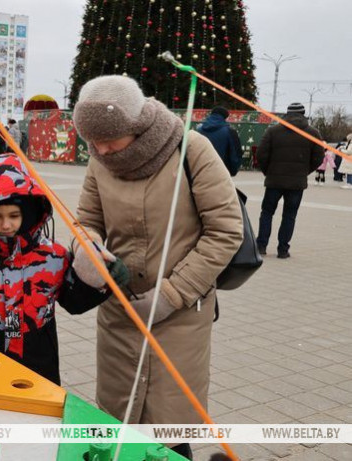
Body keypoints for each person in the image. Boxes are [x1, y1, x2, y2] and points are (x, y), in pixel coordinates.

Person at [72, 76, 243, 460]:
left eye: (110, 139)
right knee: (119, 425)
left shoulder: (191, 150)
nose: (101, 149)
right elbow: (86, 221)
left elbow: (225, 231)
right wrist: (88, 251)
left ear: (137, 125)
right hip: (119, 314)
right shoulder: (100, 161)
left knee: (167, 430)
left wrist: (170, 295)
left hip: (179, 317)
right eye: (93, 142)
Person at [0, 153, 118, 384]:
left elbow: (74, 301)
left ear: (29, 212)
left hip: (38, 355)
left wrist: (102, 280)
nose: (6, 224)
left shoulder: (53, 256)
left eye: (14, 216)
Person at [255, 102, 323, 258]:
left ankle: (261, 246)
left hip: (274, 181)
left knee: (266, 213)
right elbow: (319, 157)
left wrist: (268, 172)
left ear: (287, 114)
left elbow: (261, 154)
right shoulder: (313, 133)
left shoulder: (273, 131)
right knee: (289, 215)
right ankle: (283, 250)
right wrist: (304, 172)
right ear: (304, 114)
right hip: (296, 183)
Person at [196, 106, 243, 176]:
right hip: (222, 172)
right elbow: (235, 153)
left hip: (200, 171)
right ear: (225, 117)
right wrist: (233, 170)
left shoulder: (199, 130)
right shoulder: (229, 132)